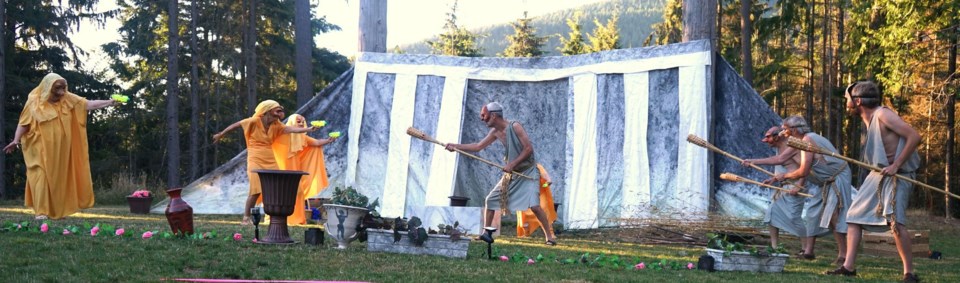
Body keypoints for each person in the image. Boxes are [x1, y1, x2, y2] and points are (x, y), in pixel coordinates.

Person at [826, 81, 921, 283]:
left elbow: (914, 136)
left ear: (858, 101)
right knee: (853, 217)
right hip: (878, 174)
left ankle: (909, 273)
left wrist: (896, 165)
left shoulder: (883, 114)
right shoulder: (869, 120)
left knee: (895, 222)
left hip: (898, 174)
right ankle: (848, 267)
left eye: (847, 99)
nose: (846, 103)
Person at [3, 73, 119, 219]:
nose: (61, 92)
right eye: (57, 88)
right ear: (47, 87)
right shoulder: (34, 101)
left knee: (59, 178)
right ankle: (41, 212)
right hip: (38, 148)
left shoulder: (67, 98)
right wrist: (16, 140)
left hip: (61, 151)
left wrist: (109, 102)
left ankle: (57, 211)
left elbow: (88, 104)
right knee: (40, 176)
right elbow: (24, 123)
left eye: (64, 88)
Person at [445, 102, 557, 245]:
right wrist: (455, 146)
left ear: (493, 115)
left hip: (528, 172)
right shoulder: (495, 132)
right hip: (512, 174)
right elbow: (478, 146)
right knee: (490, 200)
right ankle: (486, 233)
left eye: (483, 115)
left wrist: (511, 164)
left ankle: (550, 237)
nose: (482, 118)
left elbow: (528, 149)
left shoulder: (515, 126)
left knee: (535, 206)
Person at [212, 100, 318, 225]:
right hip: (255, 158)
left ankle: (275, 216)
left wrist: (309, 129)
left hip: (270, 158)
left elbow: (290, 129)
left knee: (276, 186)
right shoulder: (254, 121)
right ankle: (246, 217)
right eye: (277, 109)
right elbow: (236, 125)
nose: (280, 112)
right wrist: (221, 134)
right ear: (268, 111)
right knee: (256, 189)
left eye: (280, 110)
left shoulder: (276, 125)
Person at [772, 116, 853, 264]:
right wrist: (752, 161)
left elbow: (803, 171)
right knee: (812, 214)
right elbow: (780, 159)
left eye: (785, 129)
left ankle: (843, 255)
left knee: (834, 215)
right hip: (825, 183)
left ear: (794, 129)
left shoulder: (808, 140)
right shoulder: (799, 142)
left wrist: (785, 176)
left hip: (837, 178)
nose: (783, 132)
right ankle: (809, 251)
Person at [741, 126, 808, 253]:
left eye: (768, 138)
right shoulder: (779, 148)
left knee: (794, 217)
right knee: (771, 214)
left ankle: (806, 249)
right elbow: (783, 169)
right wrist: (773, 180)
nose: (766, 142)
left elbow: (805, 168)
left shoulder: (791, 147)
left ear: (777, 137)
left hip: (796, 186)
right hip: (783, 186)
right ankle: (774, 247)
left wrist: (799, 185)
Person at [272, 114, 337, 225]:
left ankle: (295, 218)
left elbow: (316, 143)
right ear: (292, 122)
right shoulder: (283, 134)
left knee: (298, 192)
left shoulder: (302, 138)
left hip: (295, 170)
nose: (301, 123)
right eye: (298, 121)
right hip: (282, 169)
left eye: (303, 121)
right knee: (281, 192)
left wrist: (329, 140)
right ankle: (278, 218)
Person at [516, 163, 557, 237]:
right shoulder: (518, 166)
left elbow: (548, 181)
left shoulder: (537, 166)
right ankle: (525, 233)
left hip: (539, 194)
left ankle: (550, 233)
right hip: (524, 194)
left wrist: (543, 185)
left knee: (544, 209)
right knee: (523, 212)